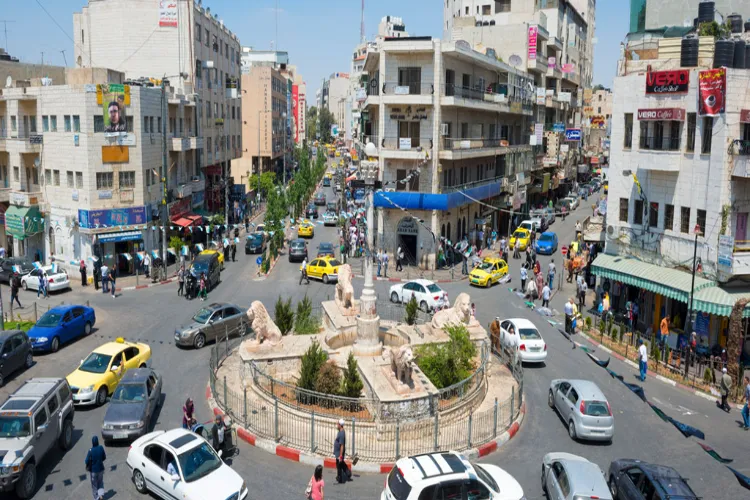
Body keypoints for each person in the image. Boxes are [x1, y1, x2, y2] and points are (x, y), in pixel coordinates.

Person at [85, 435, 107, 500]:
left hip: (93, 471)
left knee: (94, 485)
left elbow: (86, 461)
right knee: (100, 482)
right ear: (97, 441)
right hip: (101, 469)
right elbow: (104, 457)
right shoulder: (101, 448)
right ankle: (101, 495)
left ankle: (96, 498)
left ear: (92, 442)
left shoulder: (90, 450)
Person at [334, 419, 348, 483]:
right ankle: (348, 473)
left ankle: (340, 478)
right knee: (340, 463)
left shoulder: (342, 433)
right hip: (338, 451)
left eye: (337, 424)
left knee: (339, 465)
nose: (337, 425)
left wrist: (340, 455)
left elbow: (342, 445)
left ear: (340, 425)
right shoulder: (340, 430)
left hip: (339, 452)